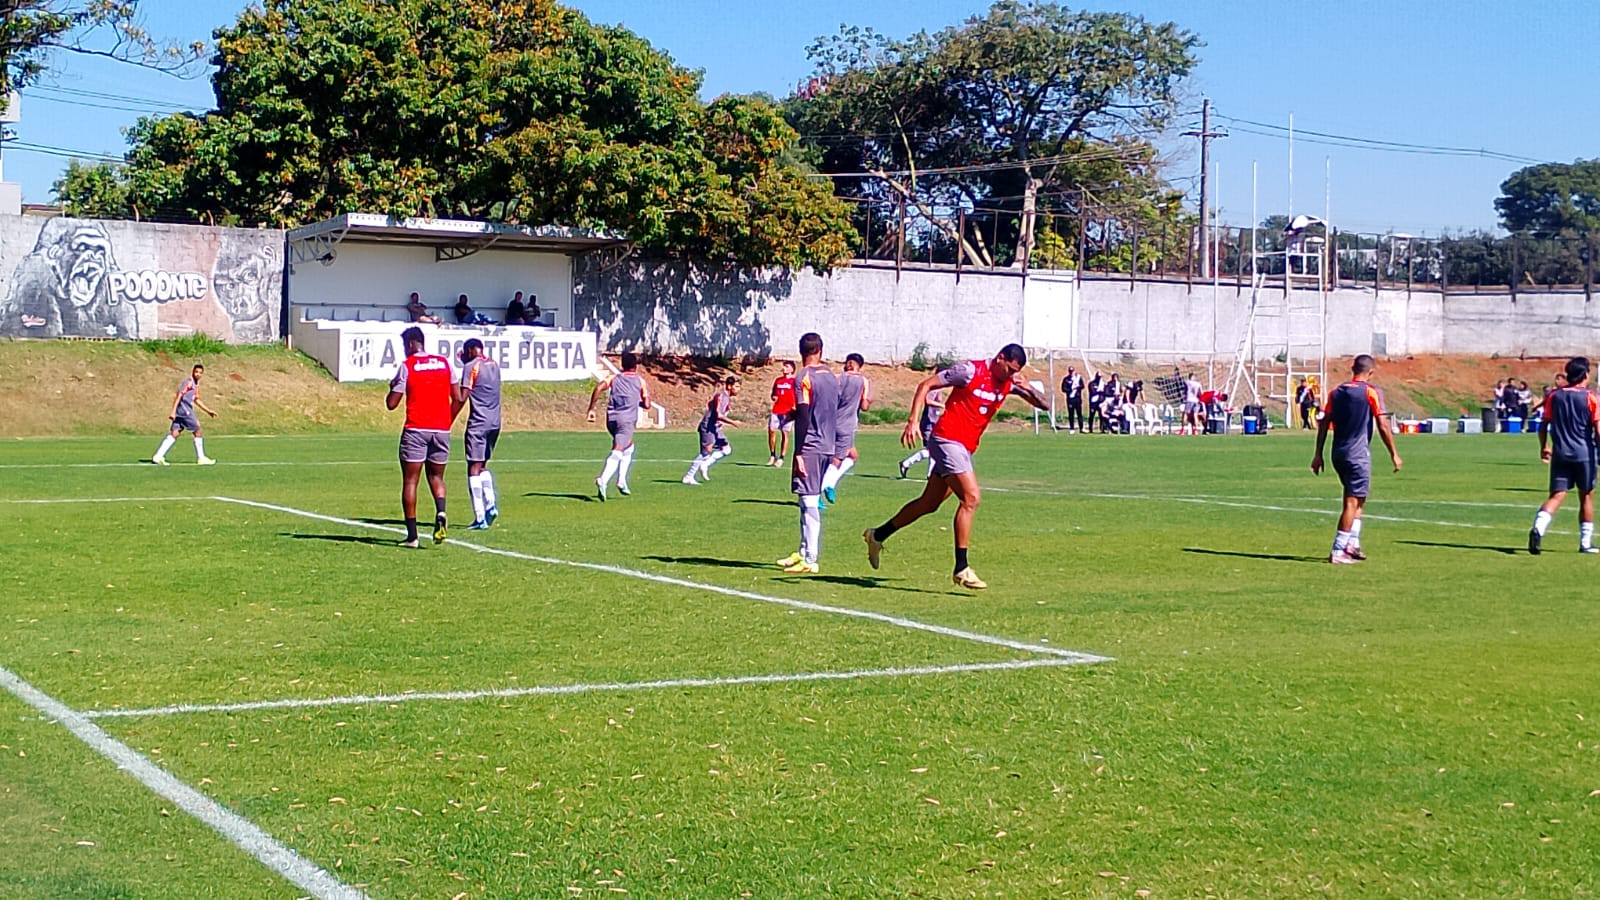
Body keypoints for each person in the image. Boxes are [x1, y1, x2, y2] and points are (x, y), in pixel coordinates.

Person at [863, 343, 1051, 590]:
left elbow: (1045, 406)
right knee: (971, 498)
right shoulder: (970, 371)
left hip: (965, 447)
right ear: (1000, 358)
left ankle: (877, 535)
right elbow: (926, 385)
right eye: (1009, 368)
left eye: (1014, 371)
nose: (1010, 374)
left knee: (928, 504)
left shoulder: (1008, 382)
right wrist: (912, 421)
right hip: (946, 439)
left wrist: (1027, 388)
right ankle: (961, 568)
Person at [1311, 354, 1402, 564]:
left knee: (1359, 498)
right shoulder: (1371, 391)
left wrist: (1318, 454)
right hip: (1357, 454)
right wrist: (1394, 453)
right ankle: (1338, 550)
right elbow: (1383, 424)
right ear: (1371, 372)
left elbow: (1324, 423)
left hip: (1338, 453)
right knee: (1351, 502)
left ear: (1352, 369)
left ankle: (1353, 544)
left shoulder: (1337, 392)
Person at [386, 326, 458, 548]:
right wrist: (447, 420)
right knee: (436, 477)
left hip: (417, 428)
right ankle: (442, 511)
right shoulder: (445, 363)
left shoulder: (408, 366)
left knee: (411, 481)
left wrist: (391, 388)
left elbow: (392, 404)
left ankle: (412, 536)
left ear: (409, 344)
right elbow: (457, 397)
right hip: (441, 430)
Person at [777, 333, 838, 574]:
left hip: (810, 445)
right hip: (828, 443)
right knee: (805, 498)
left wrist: (799, 452)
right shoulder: (832, 377)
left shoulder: (803, 377)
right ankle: (803, 551)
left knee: (808, 499)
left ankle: (810, 558)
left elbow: (803, 413)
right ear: (820, 350)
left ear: (801, 351)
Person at [1528, 357, 1600, 555]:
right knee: (1586, 495)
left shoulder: (1554, 396)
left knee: (1557, 495)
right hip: (1584, 454)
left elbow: (1543, 425)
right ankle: (1585, 543)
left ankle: (1538, 528)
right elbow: (1597, 428)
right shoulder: (1591, 397)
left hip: (1561, 453)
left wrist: (1544, 446)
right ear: (1585, 374)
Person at [588, 352, 651, 501]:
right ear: (635, 366)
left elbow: (598, 388)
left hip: (611, 420)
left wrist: (591, 409)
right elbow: (647, 405)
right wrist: (638, 402)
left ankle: (621, 481)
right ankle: (603, 480)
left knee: (629, 448)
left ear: (622, 365)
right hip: (626, 421)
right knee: (618, 450)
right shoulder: (640, 381)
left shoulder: (614, 378)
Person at [455, 338, 502, 529]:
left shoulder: (471, 367)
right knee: (483, 465)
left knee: (473, 467)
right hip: (495, 422)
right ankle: (490, 504)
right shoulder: (494, 365)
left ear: (470, 351)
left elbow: (462, 397)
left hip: (478, 423)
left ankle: (479, 515)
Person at [820, 353, 871, 506]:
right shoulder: (863, 381)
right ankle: (821, 490)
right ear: (859, 366)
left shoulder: (836, 378)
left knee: (852, 455)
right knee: (836, 460)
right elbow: (865, 406)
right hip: (846, 424)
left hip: (830, 422)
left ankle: (830, 484)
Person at [151, 363, 218, 466]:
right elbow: (179, 395)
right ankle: (201, 458)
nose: (198, 374)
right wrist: (173, 411)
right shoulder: (189, 382)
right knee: (198, 430)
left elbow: (196, 399)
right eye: (196, 372)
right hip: (184, 410)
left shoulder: (196, 385)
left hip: (182, 411)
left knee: (175, 433)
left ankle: (158, 456)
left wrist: (208, 411)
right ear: (192, 372)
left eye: (200, 373)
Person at [683, 376, 742, 484]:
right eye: (736, 386)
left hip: (715, 428)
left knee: (726, 449)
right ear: (729, 386)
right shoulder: (721, 396)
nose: (738, 389)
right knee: (705, 452)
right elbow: (718, 414)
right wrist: (733, 422)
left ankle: (705, 465)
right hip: (708, 427)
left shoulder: (726, 398)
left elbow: (710, 405)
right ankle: (688, 476)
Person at [898, 388, 946, 477]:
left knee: (933, 449)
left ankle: (906, 464)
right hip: (928, 424)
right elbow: (927, 400)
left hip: (933, 423)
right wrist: (942, 405)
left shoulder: (939, 389)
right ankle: (928, 473)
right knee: (932, 449)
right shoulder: (934, 388)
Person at [767, 360, 797, 467]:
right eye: (783, 366)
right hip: (776, 410)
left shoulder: (795, 381)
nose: (784, 368)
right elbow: (773, 394)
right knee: (771, 431)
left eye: (786, 366)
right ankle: (772, 455)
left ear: (792, 369)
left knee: (785, 433)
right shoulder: (778, 381)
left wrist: (795, 407)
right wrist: (774, 397)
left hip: (788, 411)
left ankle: (781, 457)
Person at [1061, 366, 1084, 432]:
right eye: (1070, 371)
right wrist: (1070, 389)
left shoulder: (1078, 378)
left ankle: (1081, 428)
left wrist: (1077, 387)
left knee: (1079, 413)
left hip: (1077, 398)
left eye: (1072, 371)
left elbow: (1082, 386)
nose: (1071, 373)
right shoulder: (1066, 379)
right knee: (1071, 414)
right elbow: (1063, 388)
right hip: (1070, 399)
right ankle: (1072, 428)